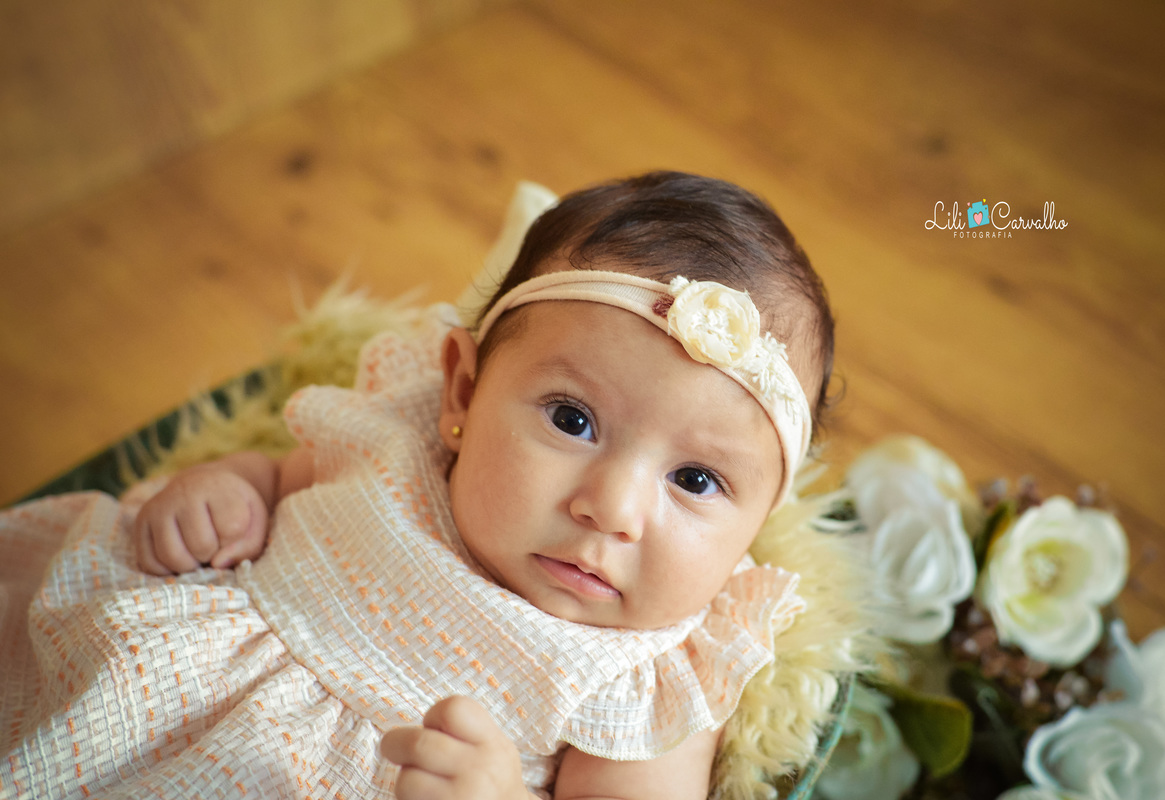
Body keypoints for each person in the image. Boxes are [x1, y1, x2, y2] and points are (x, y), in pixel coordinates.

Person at [0, 171, 838, 800]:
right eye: (572, 420)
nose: (611, 509)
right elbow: (282, 477)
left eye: (695, 479)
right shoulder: (395, 445)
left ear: (756, 525)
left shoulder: (648, 673)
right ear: (464, 394)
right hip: (145, 690)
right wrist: (229, 489)